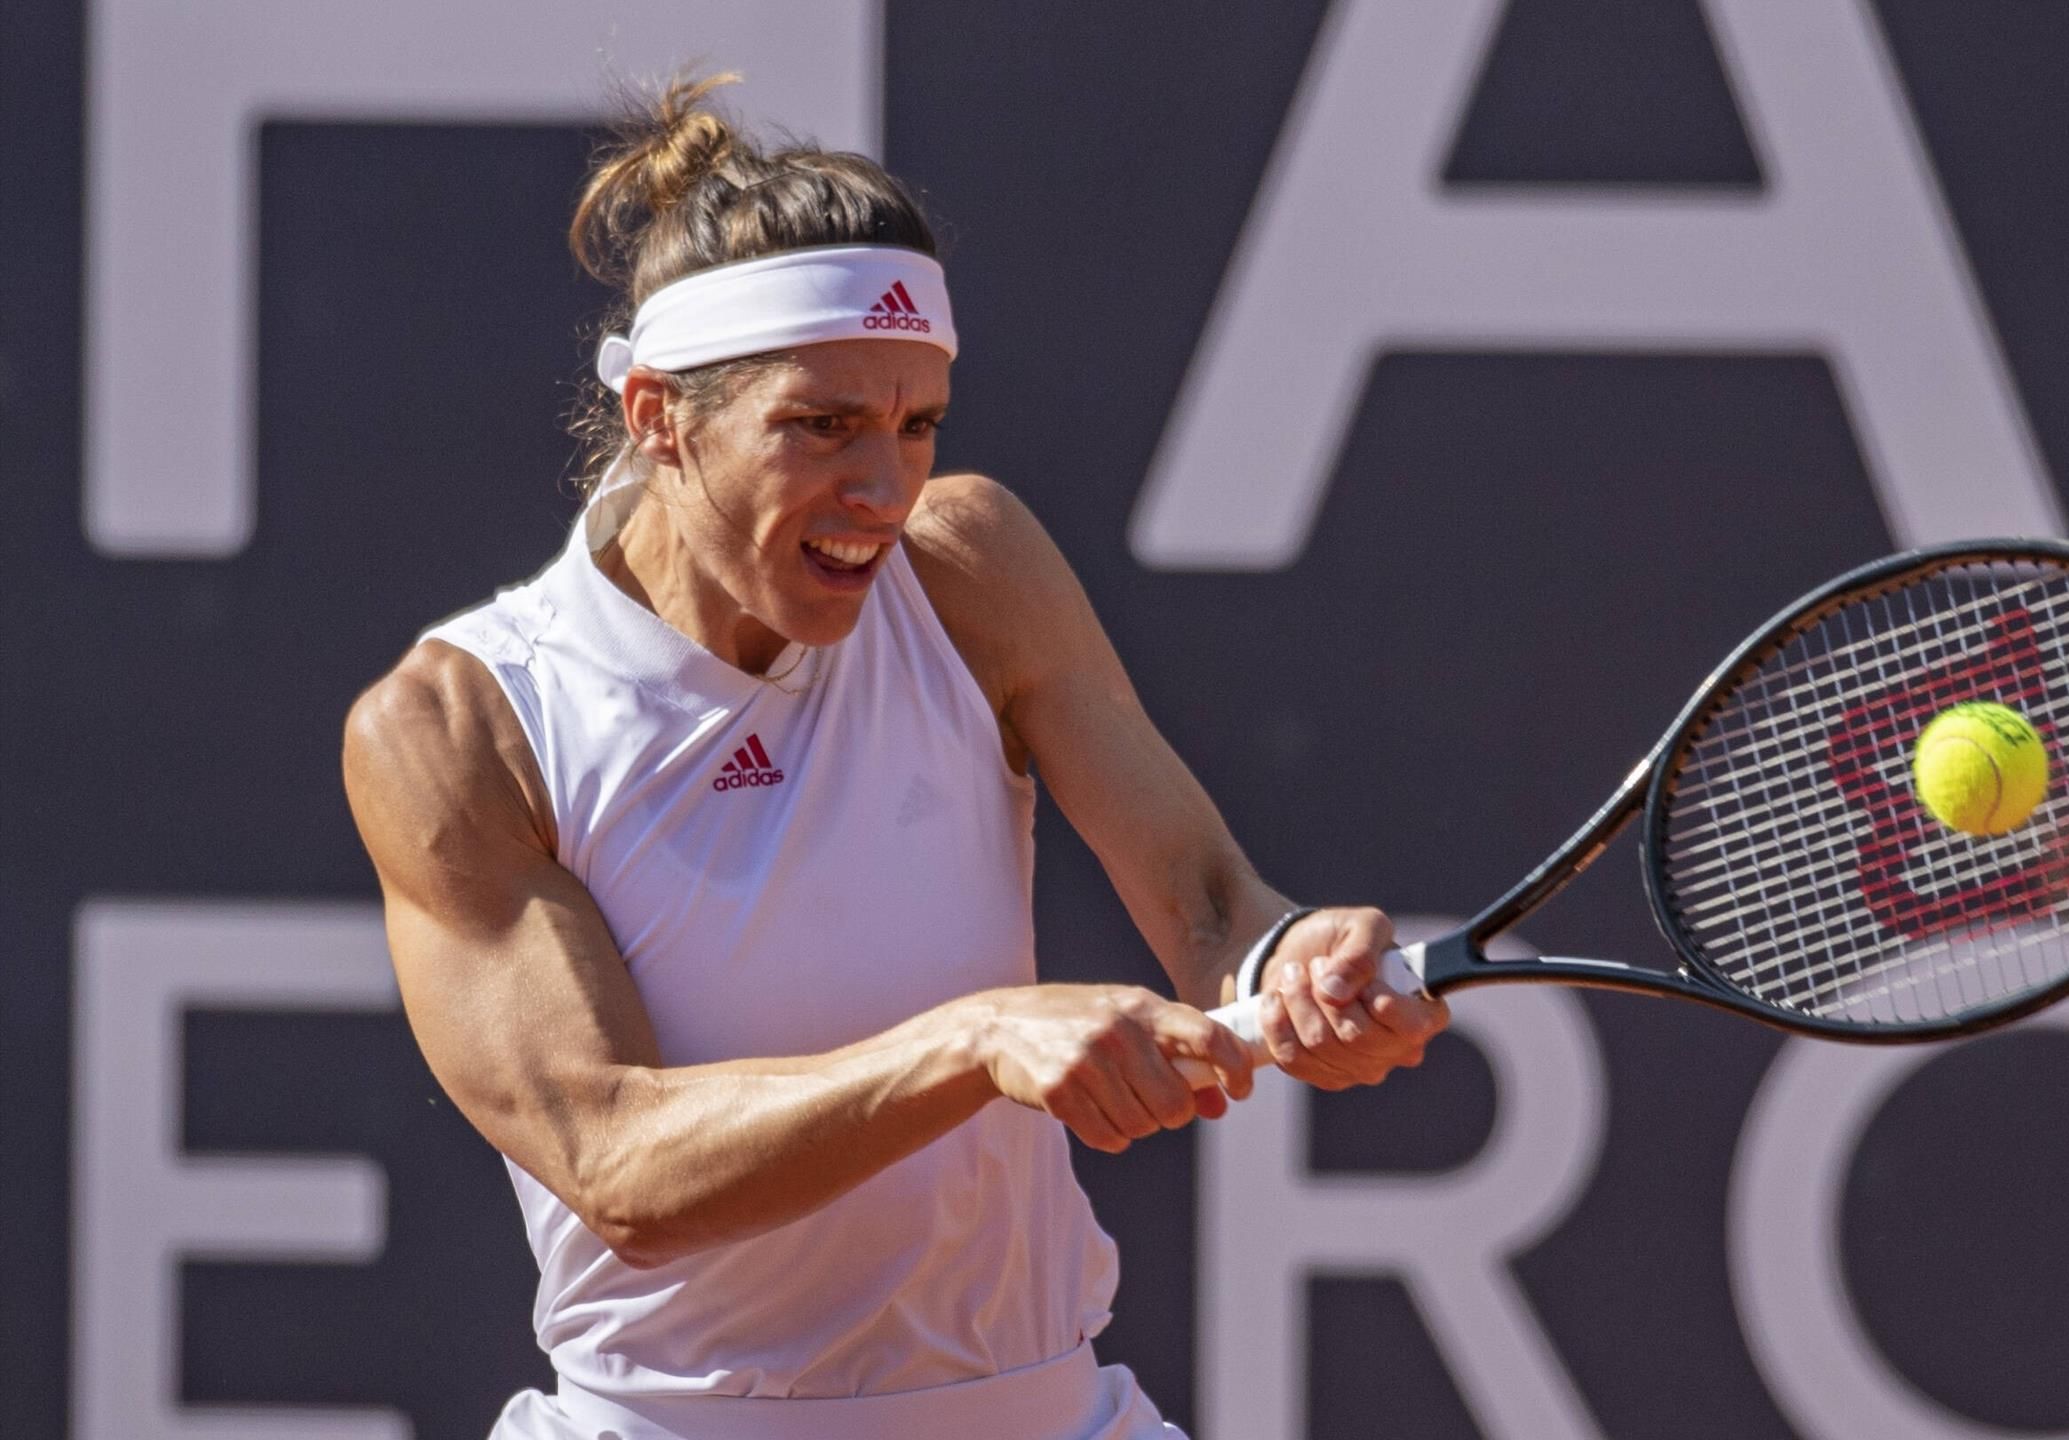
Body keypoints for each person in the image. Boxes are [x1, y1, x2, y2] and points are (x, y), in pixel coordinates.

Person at [341, 75, 1446, 1440]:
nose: (883, 489)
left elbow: (1213, 904)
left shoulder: (972, 567)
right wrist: (977, 1041)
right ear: (658, 420)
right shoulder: (460, 727)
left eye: (916, 423)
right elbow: (616, 1163)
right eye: (822, 426)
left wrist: (1294, 969)